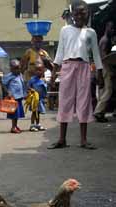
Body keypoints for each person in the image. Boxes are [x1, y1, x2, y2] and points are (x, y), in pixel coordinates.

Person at [48, 0, 104, 150]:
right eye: (76, 13)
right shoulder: (65, 30)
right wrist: (54, 74)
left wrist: (100, 74)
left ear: (87, 14)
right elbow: (59, 53)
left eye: (82, 13)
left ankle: (84, 140)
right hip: (67, 67)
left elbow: (96, 55)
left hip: (84, 68)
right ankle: (62, 139)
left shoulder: (91, 32)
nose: (79, 16)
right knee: (65, 101)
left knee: (84, 102)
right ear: (72, 14)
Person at [94, 21, 115, 122]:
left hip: (103, 66)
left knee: (104, 91)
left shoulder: (105, 40)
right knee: (108, 90)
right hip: (105, 66)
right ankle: (98, 112)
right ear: (107, 27)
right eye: (111, 28)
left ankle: (100, 112)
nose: (112, 30)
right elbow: (103, 57)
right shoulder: (105, 40)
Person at [2, 59, 25, 133]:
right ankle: (13, 127)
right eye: (15, 68)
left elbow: (22, 84)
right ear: (11, 69)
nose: (17, 70)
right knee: (14, 113)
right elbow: (4, 84)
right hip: (13, 98)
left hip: (19, 97)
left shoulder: (20, 75)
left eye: (19, 68)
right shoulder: (9, 76)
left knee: (18, 114)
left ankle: (15, 125)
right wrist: (8, 92)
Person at [27, 62, 47, 132]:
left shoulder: (43, 80)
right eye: (37, 70)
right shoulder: (32, 79)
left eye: (40, 70)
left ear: (43, 71)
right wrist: (31, 89)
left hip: (40, 99)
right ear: (34, 71)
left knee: (38, 112)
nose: (38, 72)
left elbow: (45, 90)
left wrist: (45, 97)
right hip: (34, 99)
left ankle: (38, 124)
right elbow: (28, 87)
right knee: (34, 112)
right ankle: (32, 125)